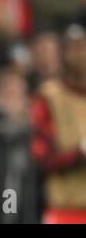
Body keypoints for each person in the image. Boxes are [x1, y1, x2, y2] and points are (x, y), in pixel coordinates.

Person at [31, 24, 86, 223]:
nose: (80, 55)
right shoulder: (50, 96)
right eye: (75, 48)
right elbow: (43, 156)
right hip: (66, 209)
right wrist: (79, 153)